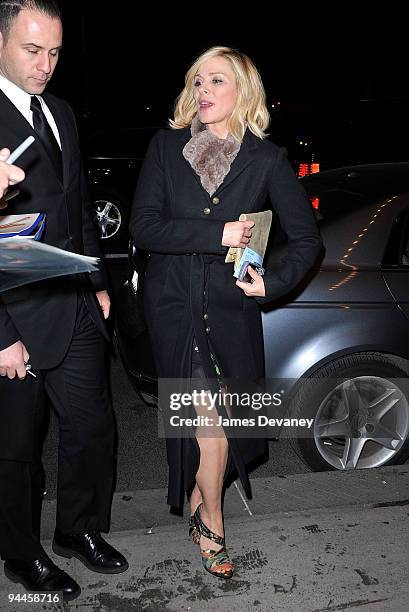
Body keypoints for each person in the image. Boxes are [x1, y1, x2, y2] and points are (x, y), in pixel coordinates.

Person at [130, 46, 322, 579]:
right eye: (197, 82)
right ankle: (212, 519)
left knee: (225, 421)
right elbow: (143, 227)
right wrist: (216, 235)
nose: (203, 92)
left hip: (230, 310)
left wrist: (273, 283)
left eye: (216, 81)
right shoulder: (166, 149)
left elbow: (306, 241)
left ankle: (198, 497)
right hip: (173, 306)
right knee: (206, 424)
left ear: (243, 92)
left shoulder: (266, 160)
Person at [0, 0, 128, 601]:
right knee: (16, 450)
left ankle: (78, 530)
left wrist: (97, 279)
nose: (45, 64)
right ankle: (22, 555)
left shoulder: (63, 112)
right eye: (32, 50)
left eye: (53, 51)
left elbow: (76, 205)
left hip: (74, 300)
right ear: (1, 42)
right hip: (14, 317)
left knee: (91, 427)